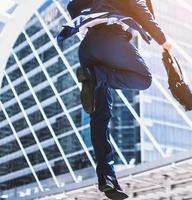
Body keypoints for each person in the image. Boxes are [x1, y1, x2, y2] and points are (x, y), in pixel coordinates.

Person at [61, 0, 172, 199]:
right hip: (110, 39)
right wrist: (163, 40)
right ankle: (100, 76)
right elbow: (140, 8)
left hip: (87, 48)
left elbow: (72, 6)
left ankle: (107, 178)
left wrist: (88, 26)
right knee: (143, 79)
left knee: (100, 119)